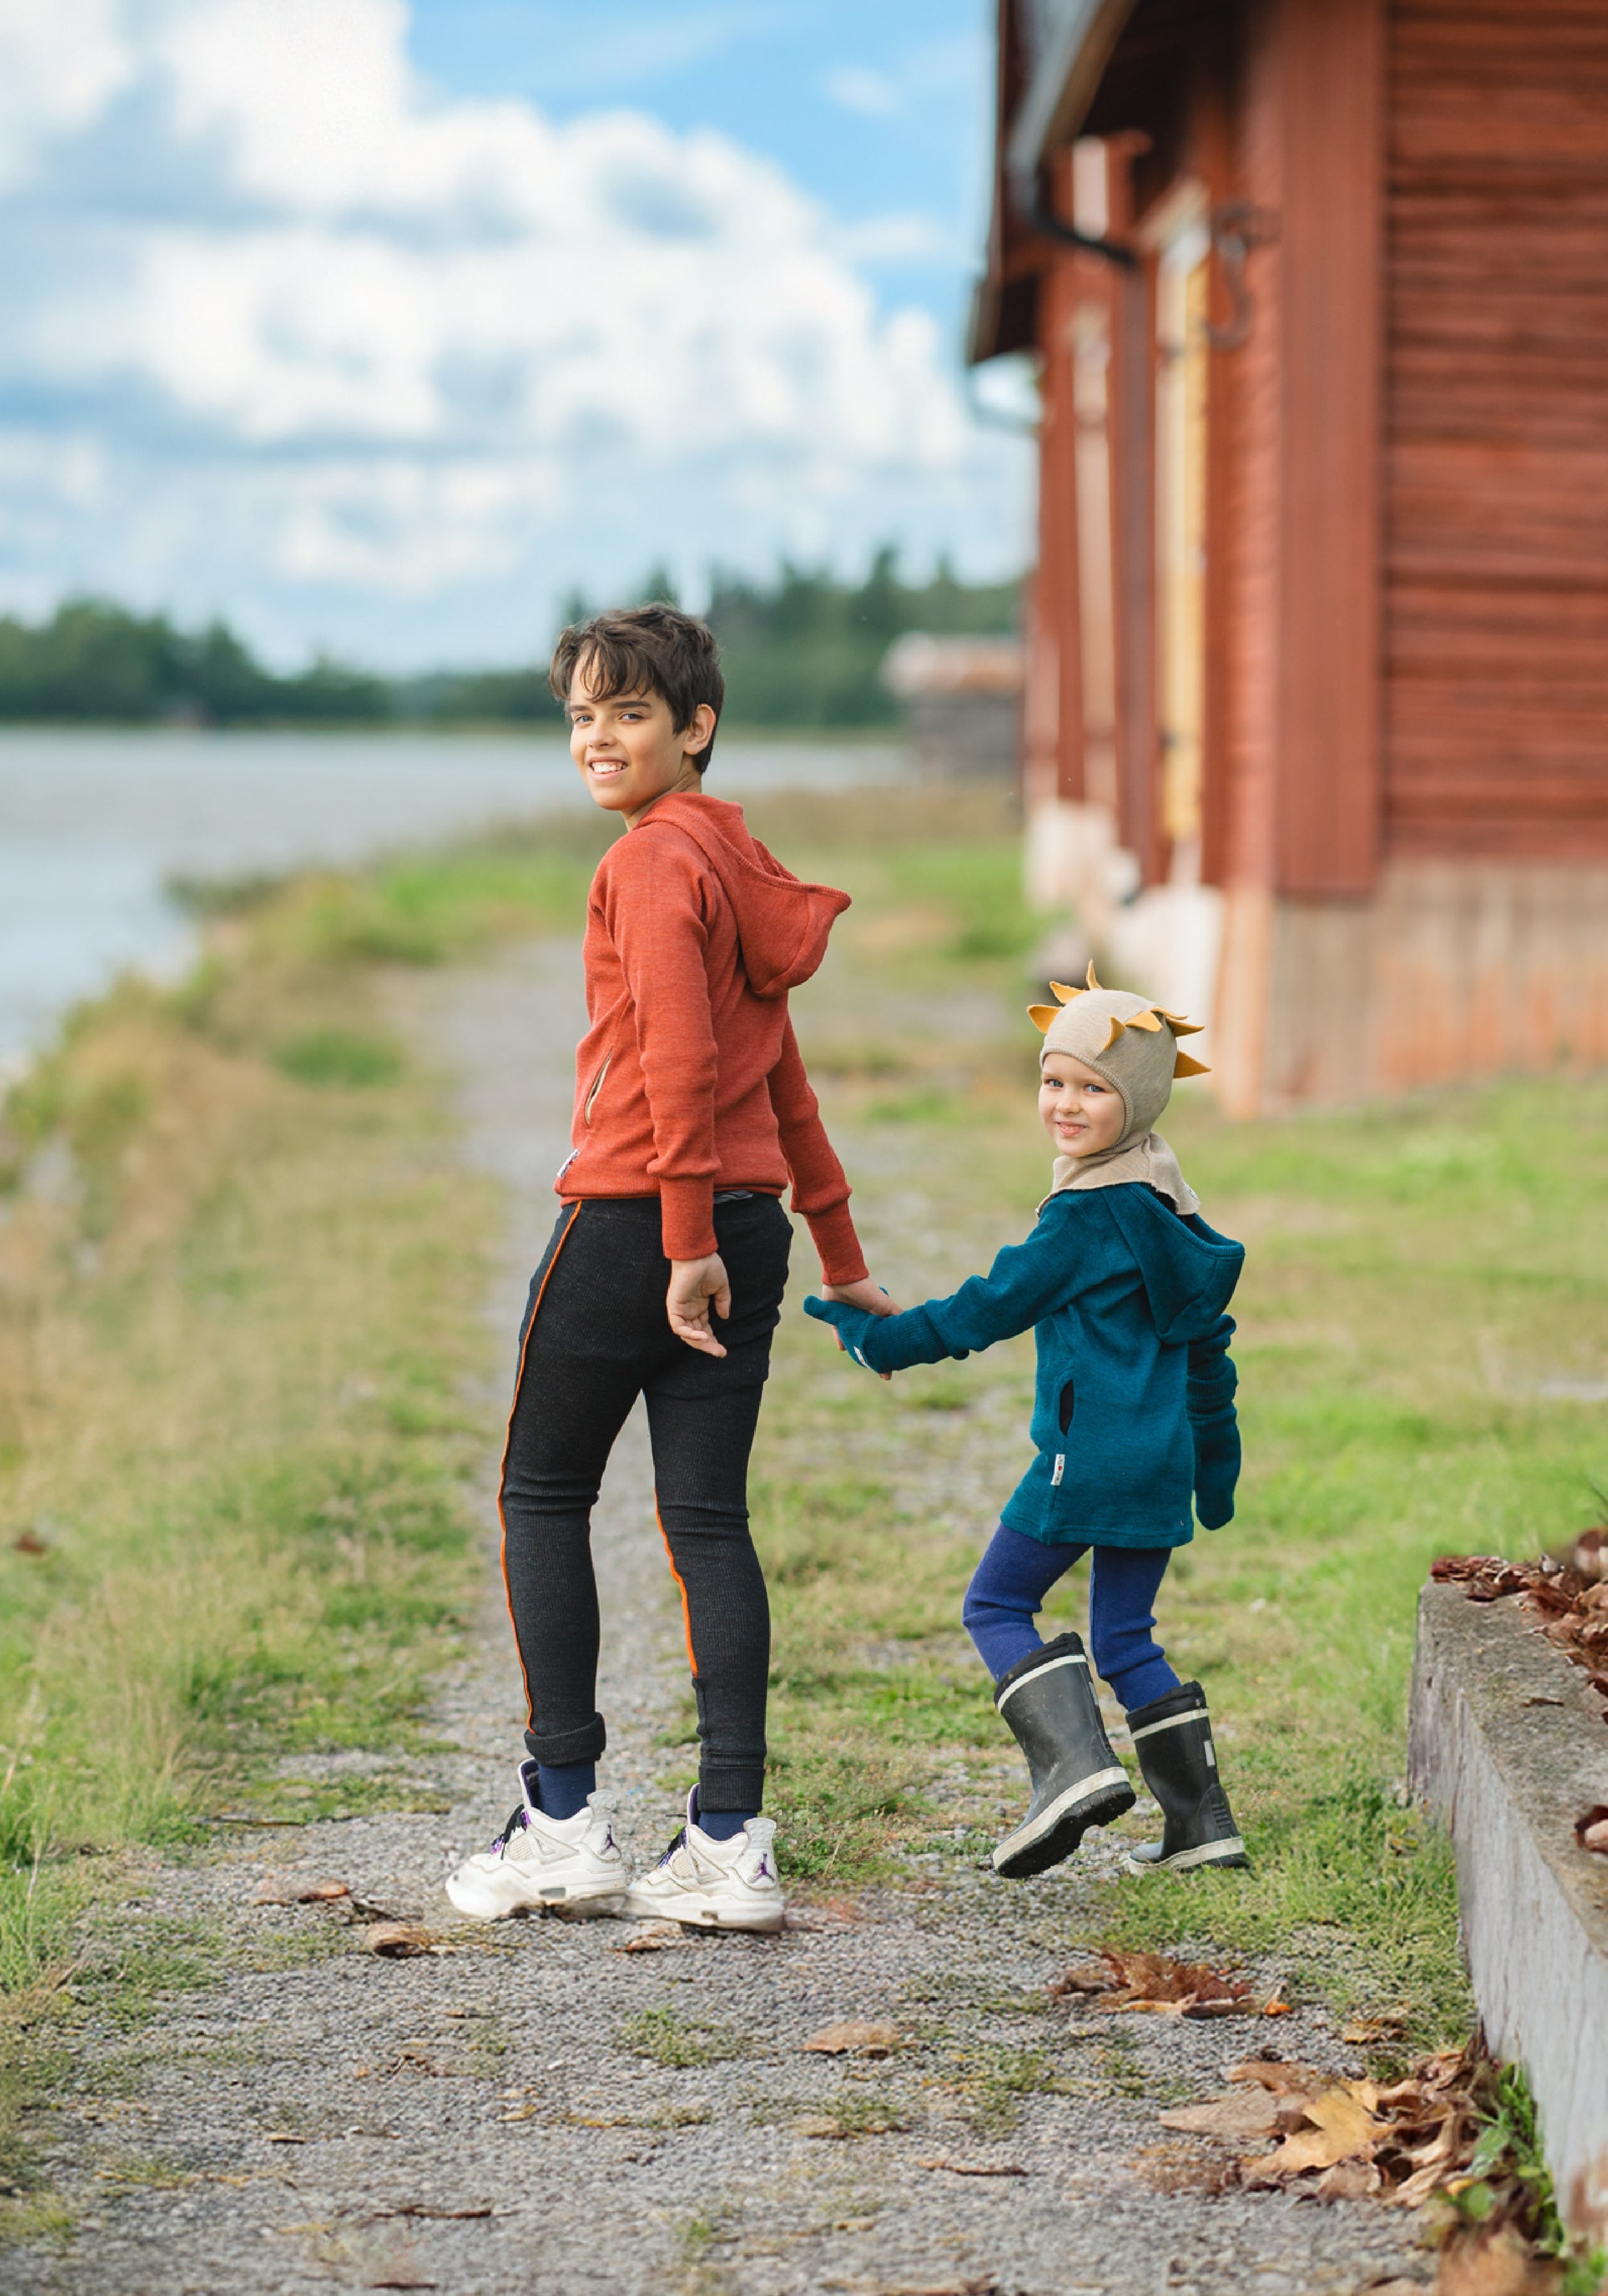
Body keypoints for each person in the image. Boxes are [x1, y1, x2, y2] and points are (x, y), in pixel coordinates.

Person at [446, 604, 895, 1933]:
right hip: (744, 1222)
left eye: (628, 713)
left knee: (542, 1494)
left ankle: (563, 1824)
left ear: (695, 728)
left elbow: (685, 1060)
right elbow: (785, 1082)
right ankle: (728, 1840)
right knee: (706, 1521)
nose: (598, 738)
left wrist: (683, 1240)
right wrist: (837, 1252)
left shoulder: (650, 861)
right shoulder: (738, 862)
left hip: (644, 1218)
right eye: (580, 715)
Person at [805, 965, 1249, 1880]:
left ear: (1139, 1101)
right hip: (1157, 1464)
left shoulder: (1087, 1216)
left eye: (1094, 1088)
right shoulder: (1170, 1210)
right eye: (1054, 1081)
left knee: (995, 1604)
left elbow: (988, 1307)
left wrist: (877, 1340)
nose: (1066, 1104)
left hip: (1084, 1459)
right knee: (1125, 1639)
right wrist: (1214, 1461)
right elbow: (1207, 1351)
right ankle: (1201, 1827)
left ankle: (1073, 1768)